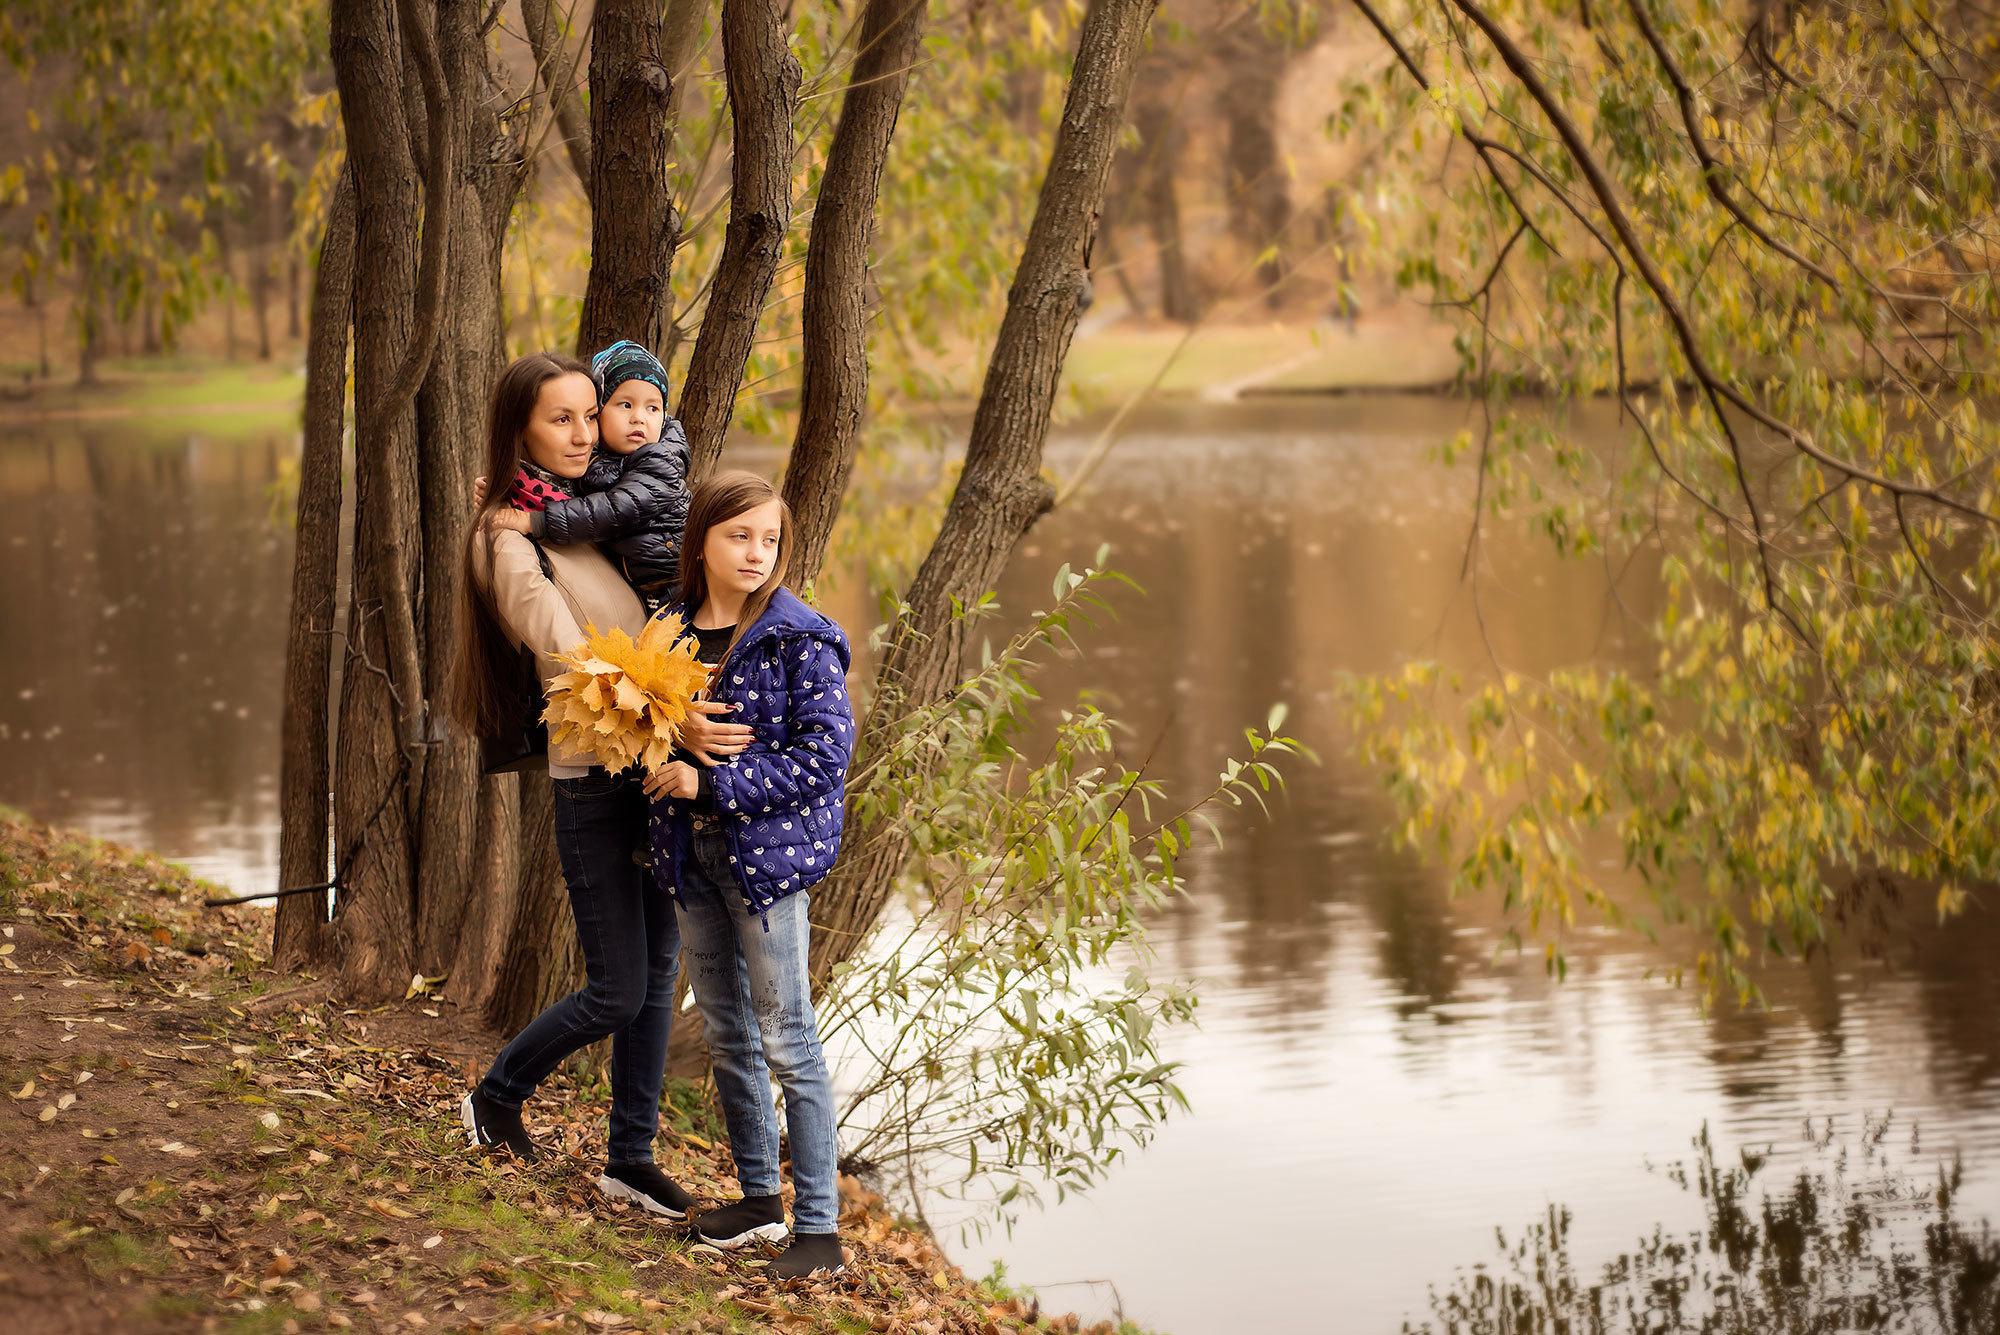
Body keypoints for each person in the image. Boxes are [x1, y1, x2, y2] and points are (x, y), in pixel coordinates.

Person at [447, 351, 695, 1222]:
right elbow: (574, 663)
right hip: (597, 776)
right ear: (520, 427)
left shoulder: (579, 512)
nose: (585, 434)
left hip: (655, 771)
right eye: (562, 419)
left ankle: (630, 1156)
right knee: (619, 987)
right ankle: (496, 1094)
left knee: (659, 970)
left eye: (591, 416)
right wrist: (684, 722)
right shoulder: (507, 539)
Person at [642, 470, 855, 1280]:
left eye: (770, 539)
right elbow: (632, 727)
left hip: (764, 868)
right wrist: (662, 751)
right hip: (687, 856)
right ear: (702, 539)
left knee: (788, 1039)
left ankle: (822, 1233)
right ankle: (760, 1200)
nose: (757, 553)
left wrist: (716, 783)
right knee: (728, 1033)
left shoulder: (802, 636)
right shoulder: (666, 630)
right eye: (740, 536)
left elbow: (826, 756)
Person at [483, 340, 691, 616]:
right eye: (626, 405)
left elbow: (614, 509)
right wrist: (506, 491)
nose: (639, 418)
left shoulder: (658, 460)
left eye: (653, 408)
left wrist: (536, 521)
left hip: (666, 584)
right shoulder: (603, 460)